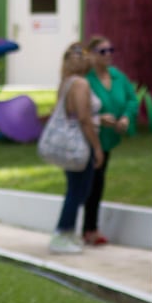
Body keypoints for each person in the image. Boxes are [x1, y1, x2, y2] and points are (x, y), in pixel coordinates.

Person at [81, 36, 141, 245]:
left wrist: (125, 117)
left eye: (110, 50)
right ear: (91, 54)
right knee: (90, 184)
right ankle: (87, 229)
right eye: (102, 51)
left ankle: (89, 228)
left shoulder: (118, 77)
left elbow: (132, 99)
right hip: (88, 139)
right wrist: (98, 119)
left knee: (97, 183)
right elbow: (78, 111)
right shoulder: (85, 80)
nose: (108, 55)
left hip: (107, 140)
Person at [48, 41, 105, 254]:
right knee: (78, 190)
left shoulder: (66, 82)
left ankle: (68, 232)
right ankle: (62, 232)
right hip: (80, 144)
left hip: (70, 144)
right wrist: (97, 148)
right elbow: (84, 119)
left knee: (77, 188)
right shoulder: (80, 84)